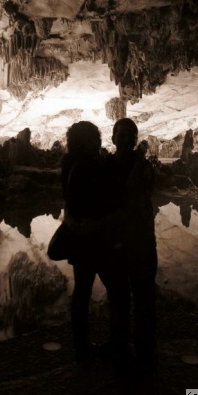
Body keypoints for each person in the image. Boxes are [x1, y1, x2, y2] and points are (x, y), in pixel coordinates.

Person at [61, 121, 130, 364]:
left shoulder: (68, 162)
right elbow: (107, 199)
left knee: (81, 292)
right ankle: (118, 345)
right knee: (119, 292)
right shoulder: (93, 164)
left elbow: (68, 201)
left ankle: (81, 348)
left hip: (80, 241)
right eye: (95, 138)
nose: (99, 142)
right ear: (90, 140)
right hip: (100, 241)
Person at [107, 118, 158, 375]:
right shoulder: (106, 168)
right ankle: (120, 347)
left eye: (131, 136)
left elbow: (143, 195)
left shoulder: (144, 167)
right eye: (122, 135)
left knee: (144, 295)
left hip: (141, 240)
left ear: (136, 140)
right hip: (117, 243)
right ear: (113, 138)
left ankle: (144, 347)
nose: (126, 140)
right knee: (119, 298)